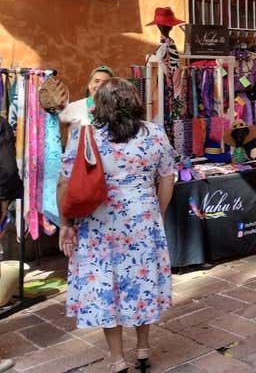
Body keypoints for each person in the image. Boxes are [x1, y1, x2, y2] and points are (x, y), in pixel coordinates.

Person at [57, 78, 176, 372]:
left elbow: (64, 184)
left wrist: (65, 223)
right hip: (143, 219)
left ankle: (117, 358)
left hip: (99, 222)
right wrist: (157, 213)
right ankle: (143, 349)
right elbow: (167, 177)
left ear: (100, 104)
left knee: (106, 285)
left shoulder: (85, 136)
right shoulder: (155, 133)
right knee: (142, 281)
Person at [58, 65, 114, 136]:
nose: (100, 85)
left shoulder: (116, 110)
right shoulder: (74, 107)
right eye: (96, 81)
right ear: (89, 85)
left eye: (105, 82)